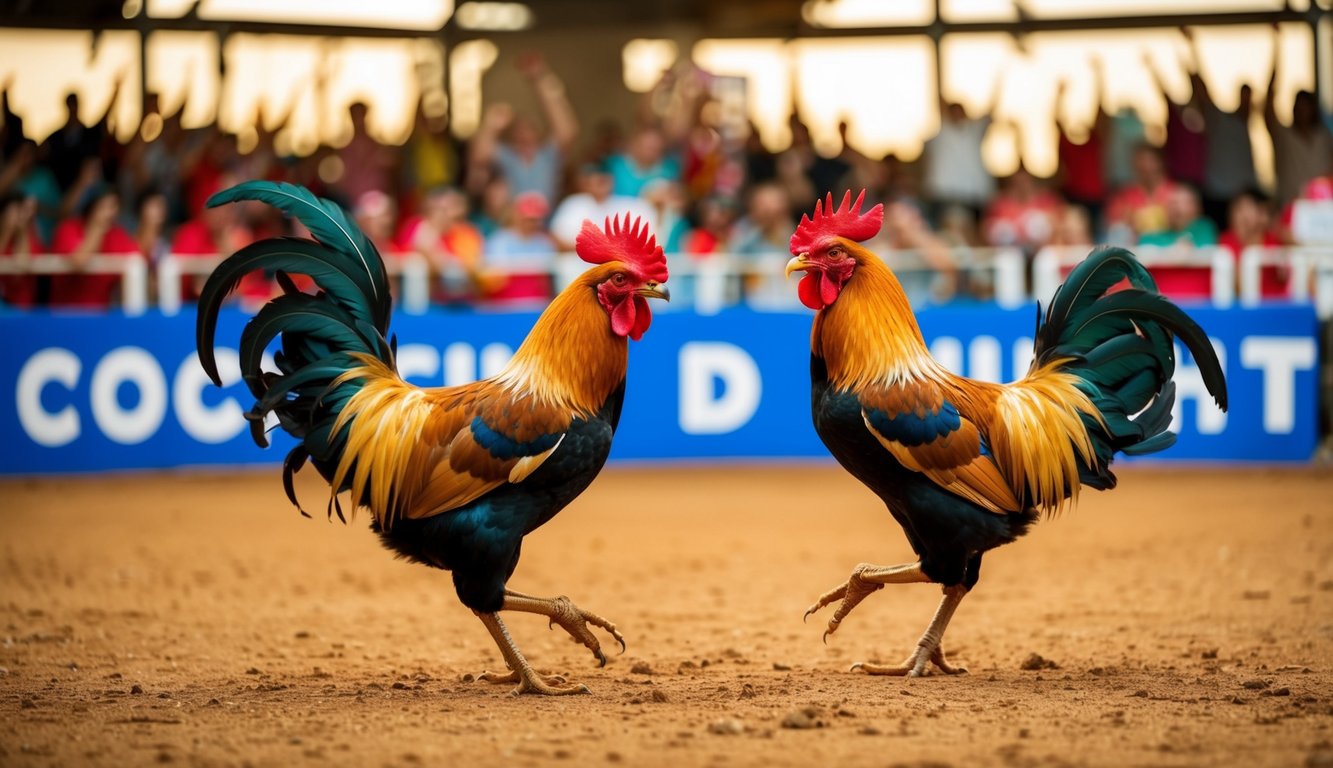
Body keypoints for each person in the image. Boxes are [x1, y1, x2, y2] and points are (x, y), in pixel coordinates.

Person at [466, 53, 578, 205]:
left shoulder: (548, 154)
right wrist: (490, 126)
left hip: (545, 222)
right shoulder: (507, 155)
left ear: (538, 133)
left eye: (529, 129)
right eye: (518, 130)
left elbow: (567, 130)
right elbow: (480, 155)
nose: (523, 134)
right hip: (511, 222)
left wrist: (540, 79)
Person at [1183, 29, 1257, 229]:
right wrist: (1192, 47)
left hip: (1243, 195)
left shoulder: (1245, 123)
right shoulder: (1218, 120)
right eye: (1244, 95)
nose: (1246, 101)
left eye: (1249, 96)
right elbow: (1202, 87)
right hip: (1217, 196)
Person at [922, 83, 1000, 230]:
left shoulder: (974, 131)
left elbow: (991, 110)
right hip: (946, 196)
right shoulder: (941, 134)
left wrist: (1000, 77)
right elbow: (938, 101)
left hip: (975, 197)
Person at [49, 185, 141, 309]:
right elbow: (78, 261)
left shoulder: (117, 235)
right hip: (64, 315)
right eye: (103, 206)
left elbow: (138, 262)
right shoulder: (68, 229)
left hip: (101, 317)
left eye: (113, 206)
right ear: (90, 207)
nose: (110, 212)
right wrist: (98, 227)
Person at [401, 186, 491, 303]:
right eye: (439, 208)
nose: (444, 213)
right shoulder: (416, 227)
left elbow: (470, 266)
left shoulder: (465, 233)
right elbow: (407, 253)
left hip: (460, 301)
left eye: (449, 207)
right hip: (426, 301)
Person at [549, 162, 653, 252]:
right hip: (578, 268)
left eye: (603, 180)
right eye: (595, 180)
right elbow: (558, 239)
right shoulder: (574, 204)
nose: (599, 184)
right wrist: (598, 250)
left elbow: (646, 242)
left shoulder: (632, 206)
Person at [482, 191, 556, 308]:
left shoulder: (544, 243)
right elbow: (491, 281)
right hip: (503, 306)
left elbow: (547, 282)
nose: (531, 223)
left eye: (535, 219)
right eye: (527, 218)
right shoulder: (498, 241)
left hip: (537, 305)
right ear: (516, 215)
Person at [1105, 143, 1179, 243]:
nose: (1145, 166)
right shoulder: (1124, 196)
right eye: (1141, 161)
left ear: (1160, 162)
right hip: (1136, 249)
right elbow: (1114, 226)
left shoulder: (1176, 192)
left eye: (1150, 161)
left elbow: (1187, 225)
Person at [1219, 188, 1284, 299]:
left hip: (1274, 305)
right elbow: (1236, 288)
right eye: (1238, 209)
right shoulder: (1226, 240)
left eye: (1247, 208)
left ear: (1262, 213)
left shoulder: (1274, 240)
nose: (1242, 215)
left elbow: (1283, 277)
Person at [982, 166, 1062, 253]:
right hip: (1009, 252)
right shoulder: (999, 203)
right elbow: (985, 232)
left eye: (1025, 179)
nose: (1022, 183)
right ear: (1012, 181)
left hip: (1043, 251)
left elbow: (1062, 227)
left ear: (1031, 179)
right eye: (1018, 180)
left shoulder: (1047, 200)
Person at [0, 191, 41, 308]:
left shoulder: (32, 240)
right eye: (11, 213)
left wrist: (22, 233)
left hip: (20, 307)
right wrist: (7, 231)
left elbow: (21, 270)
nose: (17, 217)